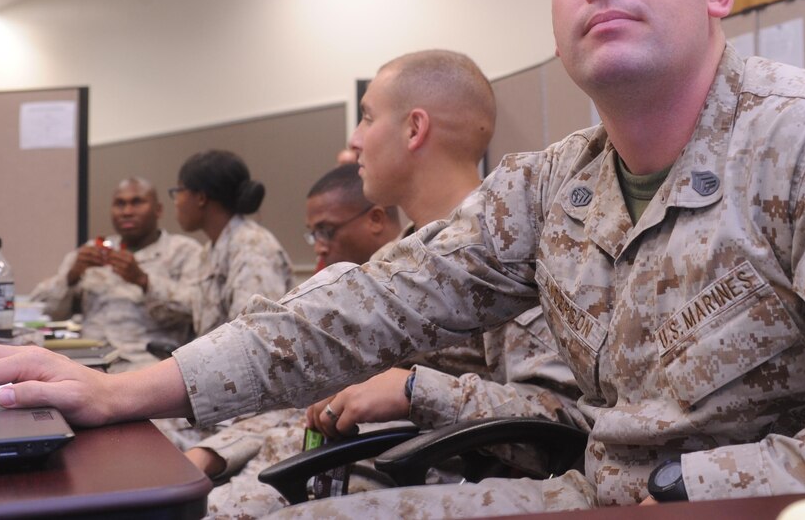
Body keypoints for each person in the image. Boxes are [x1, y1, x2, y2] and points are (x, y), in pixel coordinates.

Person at [0, 0, 805, 517]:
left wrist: (684, 482)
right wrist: (129, 391)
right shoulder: (552, 187)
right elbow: (367, 303)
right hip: (594, 491)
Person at [189, 51, 585, 517]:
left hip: (432, 481)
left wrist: (415, 391)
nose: (354, 140)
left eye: (367, 118)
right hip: (345, 463)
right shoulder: (396, 258)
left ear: (414, 129)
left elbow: (560, 428)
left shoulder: (507, 252)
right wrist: (215, 453)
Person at [185, 163, 403, 516]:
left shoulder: (421, 281)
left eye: (326, 231)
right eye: (313, 234)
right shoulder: (355, 292)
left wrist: (413, 389)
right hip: (297, 446)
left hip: (370, 459)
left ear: (376, 219)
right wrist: (214, 453)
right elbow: (298, 399)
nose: (318, 248)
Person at [29, 177, 201, 370]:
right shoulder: (92, 251)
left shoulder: (184, 251)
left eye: (137, 202)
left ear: (158, 210)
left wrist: (143, 281)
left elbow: (196, 310)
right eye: (120, 204)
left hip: (148, 363)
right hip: (88, 361)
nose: (127, 212)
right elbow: (41, 311)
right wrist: (71, 277)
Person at [170, 149, 293, 337]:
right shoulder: (209, 250)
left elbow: (255, 334)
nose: (176, 202)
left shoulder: (253, 248)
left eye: (178, 191)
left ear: (201, 198)